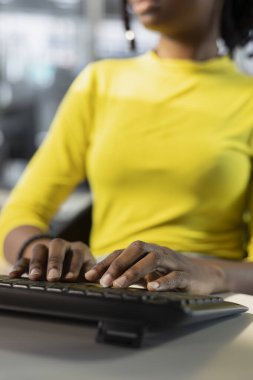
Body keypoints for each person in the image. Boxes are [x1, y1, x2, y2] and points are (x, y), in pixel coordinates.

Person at [0, 0, 253, 295]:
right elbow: (19, 213)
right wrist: (40, 251)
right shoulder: (99, 83)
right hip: (107, 288)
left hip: (208, 292)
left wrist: (210, 274)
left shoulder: (246, 98)